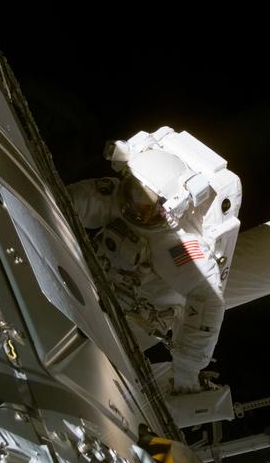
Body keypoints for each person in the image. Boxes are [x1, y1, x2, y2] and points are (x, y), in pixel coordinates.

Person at [68, 147, 225, 395]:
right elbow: (69, 202)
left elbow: (208, 300)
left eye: (147, 206)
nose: (136, 209)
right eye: (134, 195)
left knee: (84, 368)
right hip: (89, 285)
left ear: (169, 207)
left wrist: (186, 371)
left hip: (131, 321)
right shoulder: (116, 198)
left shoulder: (176, 247)